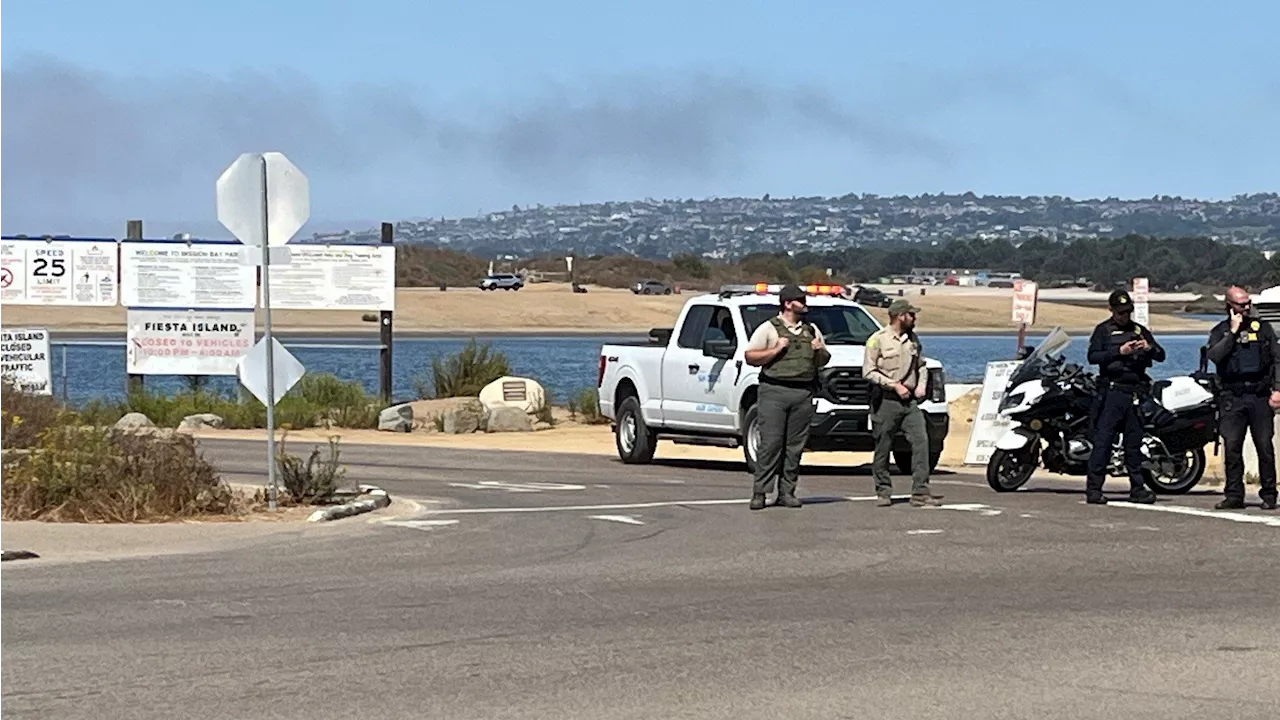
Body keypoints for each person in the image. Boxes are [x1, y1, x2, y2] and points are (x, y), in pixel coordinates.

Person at [743, 284, 831, 510]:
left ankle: (787, 491)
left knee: (795, 446)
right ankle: (760, 492)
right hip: (774, 391)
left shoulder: (811, 330)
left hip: (803, 392)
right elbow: (750, 356)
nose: (804, 303)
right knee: (771, 443)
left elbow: (824, 360)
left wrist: (819, 350)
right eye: (800, 300)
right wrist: (775, 350)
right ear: (788, 303)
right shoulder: (769, 329)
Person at [1084, 290, 1165, 505]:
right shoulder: (1103, 331)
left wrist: (1148, 348)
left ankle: (1138, 488)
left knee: (1133, 443)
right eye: (1120, 313)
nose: (1124, 317)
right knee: (1103, 441)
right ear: (1111, 311)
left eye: (1127, 312)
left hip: (1134, 392)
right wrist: (1120, 351)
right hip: (1112, 392)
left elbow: (1161, 355)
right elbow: (1093, 357)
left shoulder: (1139, 330)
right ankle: (1094, 489)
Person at [1205, 286, 1280, 510]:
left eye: (1248, 303)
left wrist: (1277, 389)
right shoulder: (1220, 331)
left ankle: (1269, 494)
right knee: (1232, 447)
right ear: (1229, 306)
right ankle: (1234, 495)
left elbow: (1278, 360)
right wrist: (1233, 333)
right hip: (1232, 397)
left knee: (1265, 446)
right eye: (1241, 304)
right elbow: (1215, 356)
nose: (1246, 308)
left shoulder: (1263, 329)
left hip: (1259, 395)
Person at [863, 299, 941, 507]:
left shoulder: (913, 339)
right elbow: (868, 371)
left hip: (910, 403)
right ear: (900, 316)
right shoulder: (877, 340)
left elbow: (921, 365)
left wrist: (921, 385)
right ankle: (883, 490)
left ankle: (920, 492)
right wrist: (894, 385)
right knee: (883, 445)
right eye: (911, 315)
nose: (914, 318)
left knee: (921, 441)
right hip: (886, 401)